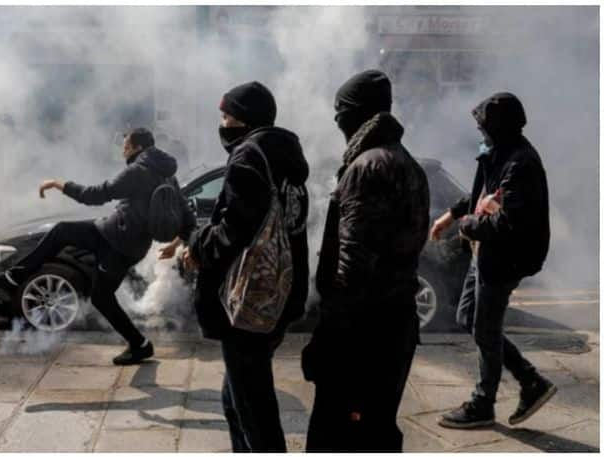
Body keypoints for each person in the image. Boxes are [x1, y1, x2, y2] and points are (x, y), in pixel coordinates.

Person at [302, 70, 429, 452]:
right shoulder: (407, 162)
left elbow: (352, 269)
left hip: (363, 335)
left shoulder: (366, 168)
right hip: (396, 323)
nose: (336, 120)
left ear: (354, 114)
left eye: (340, 112)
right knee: (377, 429)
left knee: (337, 434)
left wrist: (328, 338)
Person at [181, 81, 310, 452]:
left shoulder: (248, 157)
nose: (222, 123)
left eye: (226, 116)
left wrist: (194, 245)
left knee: (254, 406)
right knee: (236, 398)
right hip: (279, 295)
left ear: (245, 119)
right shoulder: (284, 157)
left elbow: (234, 231)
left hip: (247, 302)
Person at [5, 127, 196, 365]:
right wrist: (177, 243)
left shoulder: (137, 172)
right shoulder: (168, 175)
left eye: (126, 146)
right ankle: (139, 345)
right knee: (66, 238)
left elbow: (95, 195)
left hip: (115, 244)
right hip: (120, 239)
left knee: (98, 292)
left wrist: (58, 184)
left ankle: (20, 272)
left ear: (138, 148)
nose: (123, 151)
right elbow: (188, 220)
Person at [431, 92, 555, 429]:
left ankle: (483, 403)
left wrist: (468, 225)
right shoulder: (498, 153)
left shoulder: (521, 163)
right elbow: (478, 195)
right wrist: (451, 216)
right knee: (469, 316)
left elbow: (507, 222)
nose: (480, 132)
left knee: (485, 329)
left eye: (483, 126)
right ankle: (531, 380)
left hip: (505, 257)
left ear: (499, 127)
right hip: (485, 253)